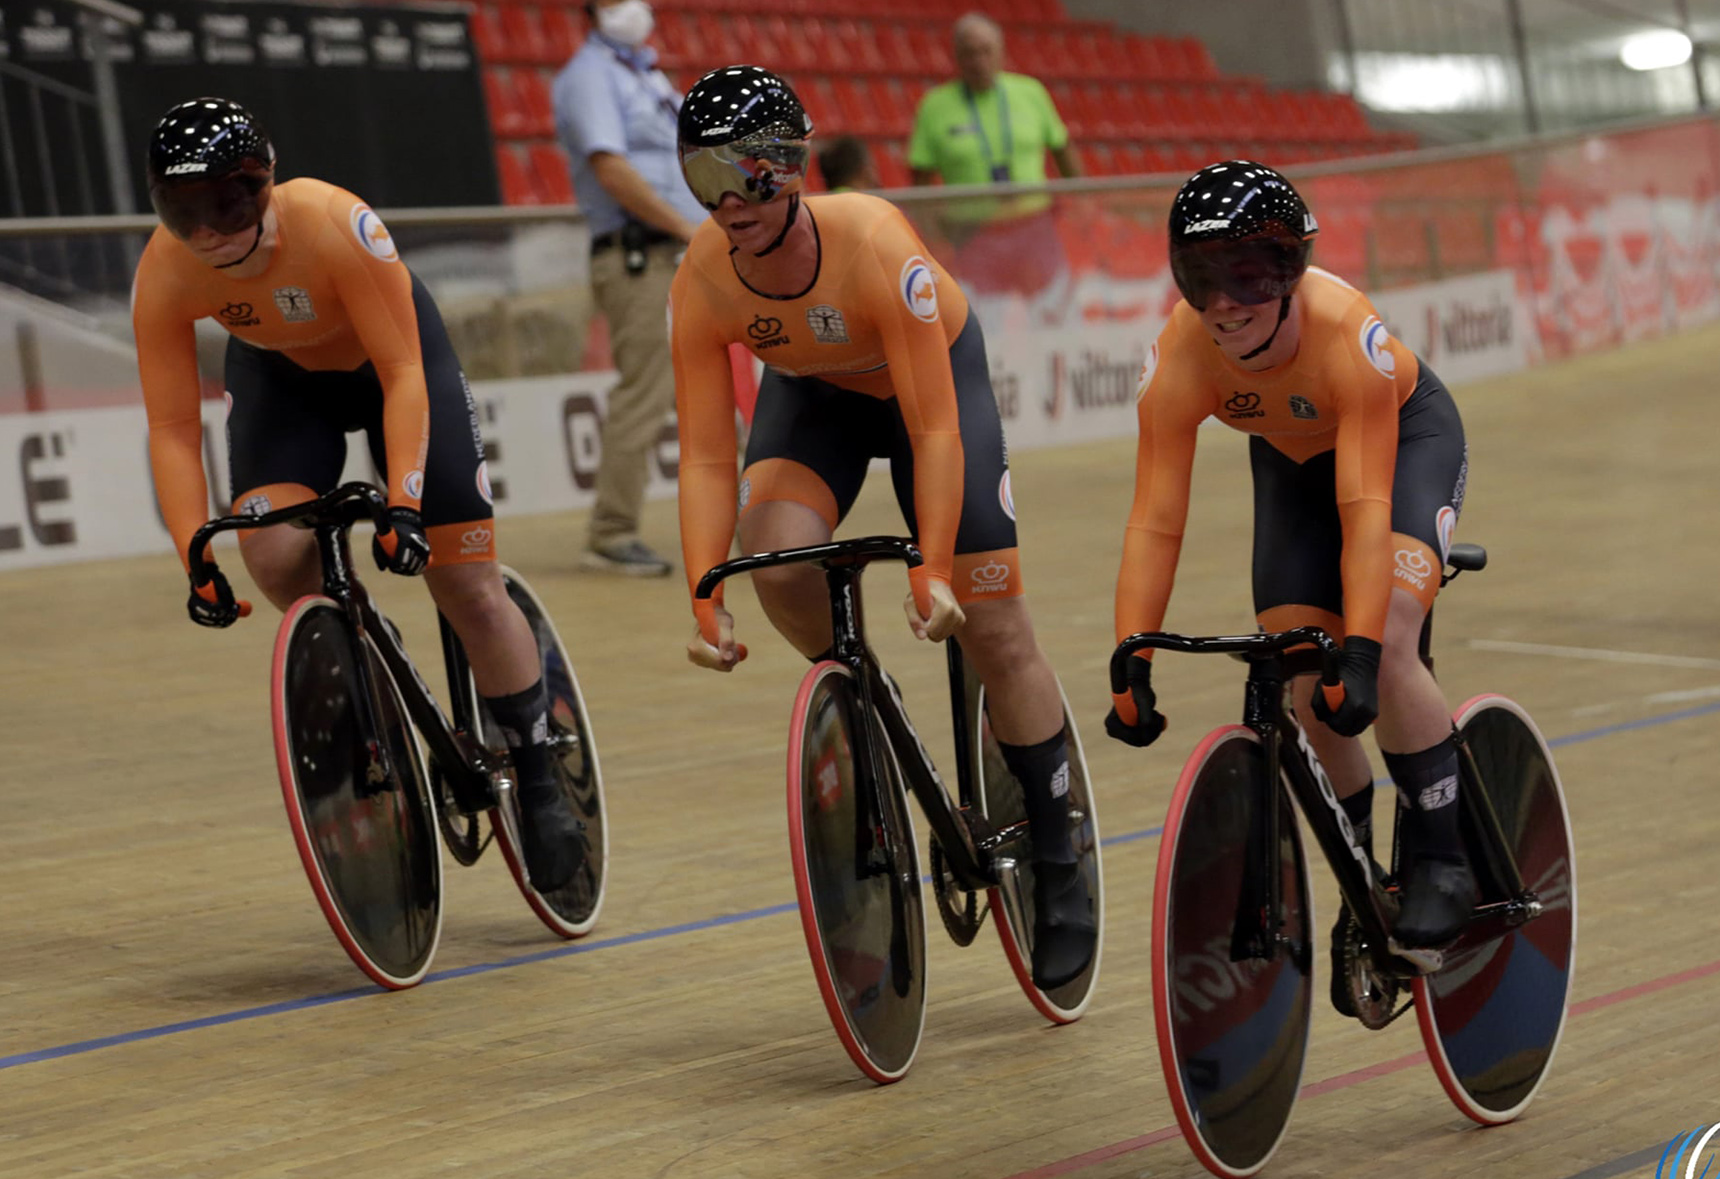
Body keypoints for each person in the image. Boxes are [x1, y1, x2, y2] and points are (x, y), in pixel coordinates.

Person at [668, 66, 1094, 990]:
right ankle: (871, 699)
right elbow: (705, 455)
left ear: (793, 168)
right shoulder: (700, 275)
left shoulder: (873, 241)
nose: (728, 203)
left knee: (994, 627)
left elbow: (935, 428)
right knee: (775, 561)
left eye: (746, 177)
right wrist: (706, 590)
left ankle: (1060, 856)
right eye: (703, 182)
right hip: (816, 395)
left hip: (927, 388)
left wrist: (932, 569)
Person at [134, 98, 587, 892]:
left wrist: (405, 505)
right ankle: (373, 685)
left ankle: (542, 774)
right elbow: (172, 428)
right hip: (282, 383)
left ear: (263, 187)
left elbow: (406, 375)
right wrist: (192, 556)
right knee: (273, 556)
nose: (205, 233)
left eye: (224, 206)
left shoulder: (334, 222)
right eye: (182, 213)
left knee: (465, 583)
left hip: (397, 369)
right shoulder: (166, 269)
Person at [1105, 161, 1474, 985]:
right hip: (1292, 463)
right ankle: (1360, 873)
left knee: (1393, 636)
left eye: (1248, 276)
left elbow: (1366, 511)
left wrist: (1369, 652)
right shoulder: (1181, 353)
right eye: (1203, 277)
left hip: (1401, 447)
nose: (1225, 302)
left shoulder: (1349, 335)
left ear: (1290, 273)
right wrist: (1132, 651)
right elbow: (1156, 517)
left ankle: (1445, 857)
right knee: (1302, 673)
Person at [553, 0, 707, 577]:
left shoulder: (645, 72)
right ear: (590, 11)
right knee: (646, 391)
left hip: (683, 251)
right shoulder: (589, 76)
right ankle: (612, 532)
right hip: (642, 255)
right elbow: (609, 167)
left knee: (725, 388)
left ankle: (758, 519)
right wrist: (686, 226)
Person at [906, 13, 1079, 189]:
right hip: (967, 215)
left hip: (1033, 213)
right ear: (956, 56)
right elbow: (921, 176)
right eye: (969, 53)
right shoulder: (934, 105)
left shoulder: (1032, 92)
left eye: (986, 51)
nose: (979, 61)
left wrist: (1081, 201)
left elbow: (1063, 151)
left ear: (1001, 52)